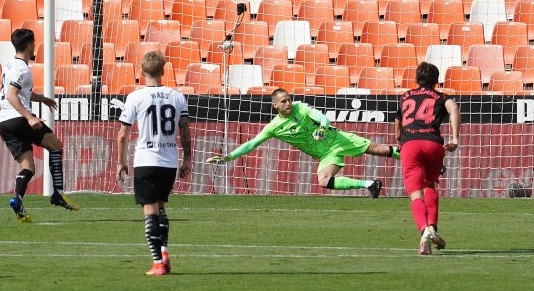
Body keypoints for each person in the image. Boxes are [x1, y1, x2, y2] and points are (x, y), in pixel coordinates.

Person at [207, 89, 398, 197]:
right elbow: (252, 143)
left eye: (289, 100)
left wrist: (322, 129)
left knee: (379, 149)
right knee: (324, 181)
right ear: (275, 105)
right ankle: (370, 184)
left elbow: (323, 117)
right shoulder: (274, 127)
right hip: (325, 154)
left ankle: (408, 152)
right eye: (283, 102)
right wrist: (229, 157)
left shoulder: (301, 107)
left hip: (338, 139)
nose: (288, 104)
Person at [117, 51, 192, 275]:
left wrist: (120, 162)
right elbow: (185, 130)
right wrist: (188, 157)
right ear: (163, 70)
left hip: (146, 161)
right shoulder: (177, 96)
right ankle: (165, 251)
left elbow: (123, 134)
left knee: (150, 212)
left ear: (141, 71)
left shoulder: (135, 97)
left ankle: (158, 262)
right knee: (160, 207)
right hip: (169, 162)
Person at [0, 27, 79, 223]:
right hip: (18, 119)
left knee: (28, 167)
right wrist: (30, 117)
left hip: (4, 122)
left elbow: (18, 91)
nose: (35, 46)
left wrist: (41, 98)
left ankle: (17, 199)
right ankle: (58, 194)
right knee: (56, 146)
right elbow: (11, 95)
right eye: (34, 43)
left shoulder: (10, 65)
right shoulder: (22, 68)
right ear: (28, 45)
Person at [395, 62, 461, 255]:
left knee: (416, 194)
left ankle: (425, 230)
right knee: (430, 186)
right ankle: (430, 235)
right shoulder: (441, 97)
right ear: (437, 81)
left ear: (417, 80)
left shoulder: (405, 96)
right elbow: (454, 109)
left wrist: (402, 139)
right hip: (433, 145)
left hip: (411, 146)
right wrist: (455, 137)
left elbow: (397, 129)